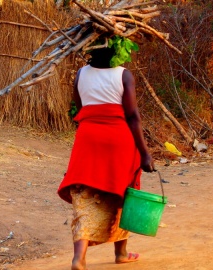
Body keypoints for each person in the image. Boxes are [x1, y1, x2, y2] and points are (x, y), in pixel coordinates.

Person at [57, 46, 155, 270]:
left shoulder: (81, 74)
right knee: (122, 192)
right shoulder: (123, 75)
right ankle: (120, 253)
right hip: (119, 139)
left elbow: (79, 108)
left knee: (84, 195)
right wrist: (145, 152)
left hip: (88, 138)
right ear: (115, 52)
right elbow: (132, 116)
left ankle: (79, 258)